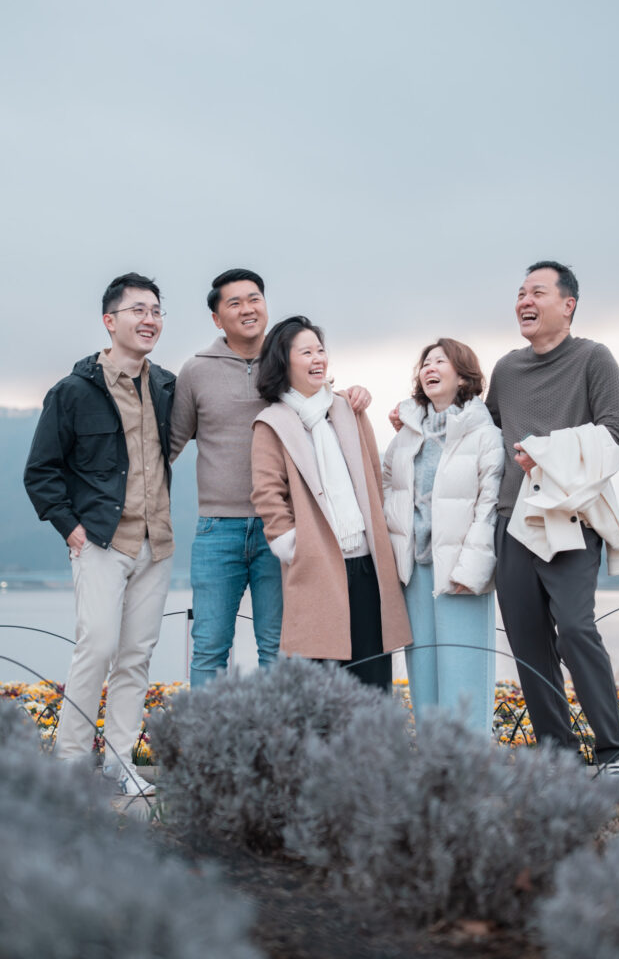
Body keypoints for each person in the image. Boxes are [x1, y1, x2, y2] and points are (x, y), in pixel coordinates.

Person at [170, 270, 373, 685]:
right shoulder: (195, 371)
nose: (248, 309)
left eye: (254, 298)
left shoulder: (287, 360)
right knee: (209, 645)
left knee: (280, 646)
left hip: (282, 529)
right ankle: (206, 747)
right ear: (216, 318)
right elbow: (169, 446)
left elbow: (322, 404)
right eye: (235, 303)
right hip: (216, 528)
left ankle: (279, 746)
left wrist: (354, 394)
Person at [486, 260, 619, 800]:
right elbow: (486, 436)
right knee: (528, 645)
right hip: (511, 522)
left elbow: (616, 435)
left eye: (537, 292)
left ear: (567, 304)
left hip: (570, 521)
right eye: (520, 293)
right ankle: (558, 759)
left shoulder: (594, 358)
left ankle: (615, 757)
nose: (524, 301)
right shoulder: (505, 369)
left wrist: (547, 456)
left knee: (575, 629)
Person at [24, 273, 175, 796]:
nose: (150, 319)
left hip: (157, 545)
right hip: (101, 544)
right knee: (97, 647)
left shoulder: (166, 386)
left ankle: (119, 763)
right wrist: (71, 530)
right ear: (110, 321)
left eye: (156, 310)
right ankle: (69, 764)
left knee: (136, 657)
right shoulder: (72, 391)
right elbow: (40, 471)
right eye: (138, 310)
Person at [250, 316, 412, 688]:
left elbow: (374, 472)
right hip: (317, 564)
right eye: (306, 351)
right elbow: (267, 493)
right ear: (283, 361)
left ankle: (373, 748)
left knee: (372, 679)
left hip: (366, 563)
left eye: (320, 350)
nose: (317, 358)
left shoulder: (347, 409)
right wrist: (295, 545)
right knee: (322, 682)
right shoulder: (272, 422)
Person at [383, 338, 504, 729]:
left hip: (458, 570)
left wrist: (471, 570)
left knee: (465, 670)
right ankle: (435, 772)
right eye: (426, 362)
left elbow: (489, 505)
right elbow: (388, 486)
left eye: (441, 361)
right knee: (423, 671)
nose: (430, 368)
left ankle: (470, 773)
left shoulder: (483, 433)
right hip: (414, 570)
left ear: (463, 375)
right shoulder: (406, 434)